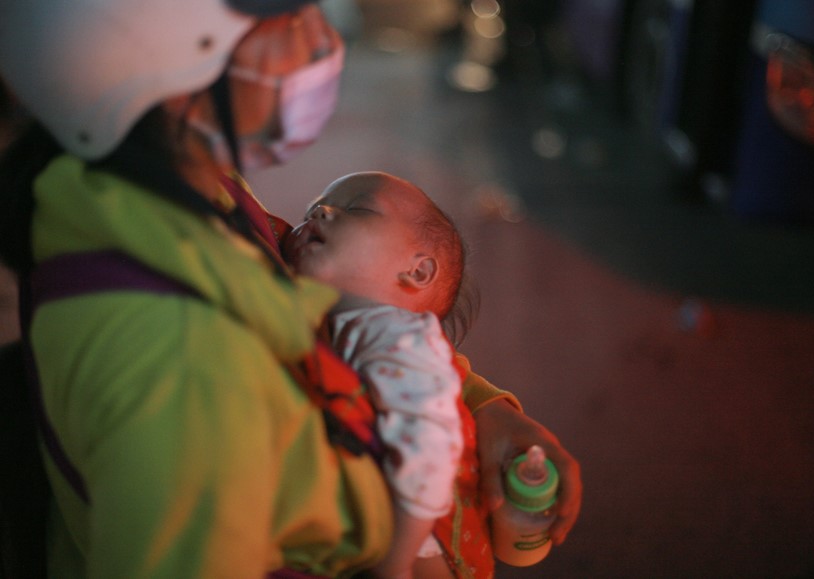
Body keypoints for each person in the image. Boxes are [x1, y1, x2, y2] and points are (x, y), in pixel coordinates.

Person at [0, 1, 582, 577]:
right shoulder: (180, 362)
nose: (319, 38)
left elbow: (338, 313)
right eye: (288, 18)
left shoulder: (186, 192)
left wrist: (483, 413)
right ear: (175, 53)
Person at [285, 171, 486, 579]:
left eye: (356, 209)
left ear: (417, 272)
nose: (321, 211)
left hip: (420, 546)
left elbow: (430, 448)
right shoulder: (338, 323)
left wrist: (395, 560)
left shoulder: (395, 337)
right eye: (312, 210)